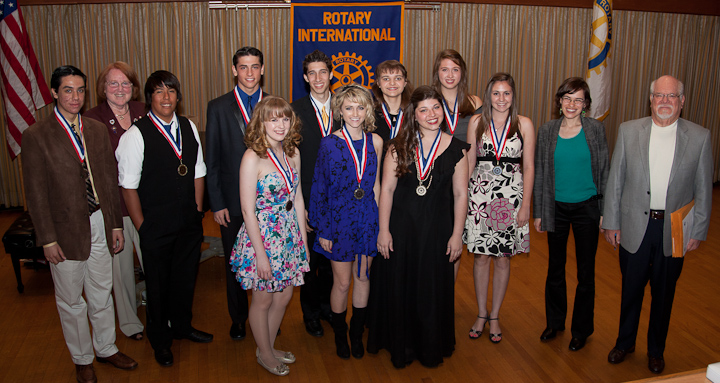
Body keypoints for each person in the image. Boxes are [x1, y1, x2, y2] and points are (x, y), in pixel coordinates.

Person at [22, 65, 137, 383]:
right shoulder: (36, 136)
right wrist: (47, 238)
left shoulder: (96, 129)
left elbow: (106, 180)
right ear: (55, 93)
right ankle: (82, 358)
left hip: (100, 220)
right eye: (68, 90)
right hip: (63, 231)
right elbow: (36, 194)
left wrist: (115, 224)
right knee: (72, 300)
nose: (75, 96)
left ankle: (106, 348)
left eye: (80, 90)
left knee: (101, 291)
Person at [603, 75, 712, 374]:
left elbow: (704, 190)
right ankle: (624, 343)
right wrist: (611, 223)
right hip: (635, 227)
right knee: (631, 290)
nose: (665, 101)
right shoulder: (628, 131)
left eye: (672, 96)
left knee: (664, 294)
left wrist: (698, 231)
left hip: (674, 231)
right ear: (650, 99)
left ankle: (656, 350)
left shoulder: (700, 137)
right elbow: (616, 181)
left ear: (682, 101)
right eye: (659, 96)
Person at [116, 70, 213, 367]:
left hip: (188, 223)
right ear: (149, 98)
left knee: (185, 279)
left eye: (171, 91)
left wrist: (197, 213)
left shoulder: (189, 126)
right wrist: (143, 227)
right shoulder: (135, 134)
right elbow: (128, 186)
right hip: (155, 226)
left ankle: (182, 327)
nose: (166, 97)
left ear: (178, 96)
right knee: (157, 286)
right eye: (159, 91)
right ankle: (160, 340)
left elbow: (198, 171)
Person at [368, 86, 469, 368]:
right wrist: (383, 230)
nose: (431, 114)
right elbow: (386, 190)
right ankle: (401, 344)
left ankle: (429, 345)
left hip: (437, 231)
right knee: (401, 285)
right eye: (423, 109)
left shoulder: (458, 148)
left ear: (443, 110)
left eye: (436, 108)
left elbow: (462, 194)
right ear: (414, 114)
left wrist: (457, 234)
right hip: (401, 229)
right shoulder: (397, 147)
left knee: (430, 289)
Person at [229, 96, 310, 377]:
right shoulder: (253, 157)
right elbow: (247, 210)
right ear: (261, 123)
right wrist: (261, 255)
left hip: (288, 235)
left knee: (284, 296)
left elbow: (298, 199)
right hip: (262, 237)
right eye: (273, 119)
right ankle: (264, 353)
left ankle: (268, 345)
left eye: (285, 118)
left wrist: (302, 243)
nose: (280, 124)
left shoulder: (293, 152)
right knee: (263, 300)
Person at [533, 77, 609, 351]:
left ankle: (581, 330)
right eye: (567, 98)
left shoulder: (596, 130)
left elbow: (604, 171)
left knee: (586, 273)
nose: (572, 104)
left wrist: (604, 210)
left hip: (587, 208)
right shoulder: (547, 131)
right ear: (559, 102)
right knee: (555, 269)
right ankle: (555, 323)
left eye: (578, 99)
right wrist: (540, 211)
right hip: (556, 209)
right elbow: (541, 172)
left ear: (586, 104)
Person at [309, 83, 383, 360]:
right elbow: (320, 188)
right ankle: (340, 334)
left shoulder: (375, 142)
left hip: (366, 219)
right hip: (337, 223)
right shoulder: (329, 143)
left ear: (368, 110)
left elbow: (376, 187)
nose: (355, 113)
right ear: (339, 109)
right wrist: (323, 229)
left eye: (360, 107)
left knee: (363, 278)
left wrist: (379, 225)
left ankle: (356, 333)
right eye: (349, 107)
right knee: (341, 283)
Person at [464, 72, 535, 343]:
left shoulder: (524, 124)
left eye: (506, 93)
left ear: (513, 95)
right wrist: (466, 201)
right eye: (496, 93)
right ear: (488, 95)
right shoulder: (476, 122)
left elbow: (528, 167)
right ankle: (481, 313)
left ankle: (495, 315)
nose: (501, 99)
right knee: (481, 257)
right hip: (480, 198)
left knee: (503, 258)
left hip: (512, 198)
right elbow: (470, 163)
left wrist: (526, 205)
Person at [206, 46, 268, 341]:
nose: (249, 73)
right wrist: (216, 202)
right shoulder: (217, 107)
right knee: (236, 262)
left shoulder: (274, 106)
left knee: (268, 259)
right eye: (243, 67)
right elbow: (213, 160)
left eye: (255, 66)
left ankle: (265, 315)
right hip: (231, 203)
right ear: (234, 70)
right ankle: (240, 317)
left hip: (269, 204)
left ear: (262, 69)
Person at [84, 61, 147, 342]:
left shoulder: (144, 111)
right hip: (115, 207)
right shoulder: (92, 119)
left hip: (148, 203)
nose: (120, 89)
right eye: (113, 83)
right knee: (120, 272)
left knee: (154, 262)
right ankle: (131, 323)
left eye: (126, 83)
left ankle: (162, 312)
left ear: (133, 88)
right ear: (103, 88)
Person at [291, 49, 337, 338]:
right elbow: (291, 162)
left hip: (342, 200)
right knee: (311, 261)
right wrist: (302, 204)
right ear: (306, 78)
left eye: (323, 72)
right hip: (308, 198)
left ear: (331, 74)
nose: (318, 78)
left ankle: (329, 307)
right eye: (312, 73)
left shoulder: (347, 106)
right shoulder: (293, 111)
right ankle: (310, 313)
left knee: (336, 260)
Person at [432, 49, 482, 142]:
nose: (450, 75)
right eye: (445, 70)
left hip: (468, 156)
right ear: (437, 72)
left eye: (455, 70)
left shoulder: (475, 103)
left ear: (462, 72)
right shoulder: (429, 104)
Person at [371, 60, 412, 142]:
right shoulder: (369, 113)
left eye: (398, 78)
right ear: (378, 83)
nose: (392, 83)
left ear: (405, 82)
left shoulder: (414, 112)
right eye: (386, 79)